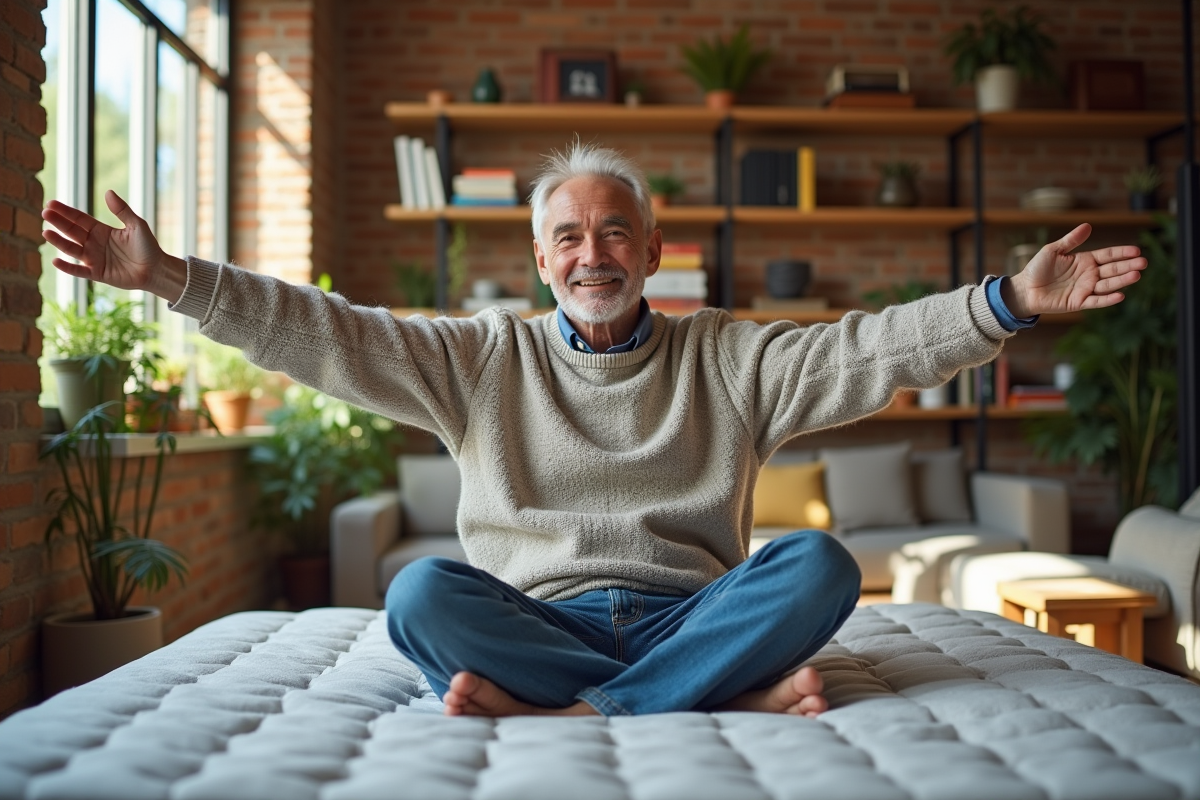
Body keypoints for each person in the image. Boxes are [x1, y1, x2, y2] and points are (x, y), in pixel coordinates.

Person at [41, 141, 1146, 719]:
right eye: (569, 235)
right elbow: (330, 333)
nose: (593, 253)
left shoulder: (727, 355)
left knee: (816, 561)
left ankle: (572, 711)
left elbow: (867, 350)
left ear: (652, 248)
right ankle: (722, 692)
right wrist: (178, 281)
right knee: (420, 592)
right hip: (538, 616)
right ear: (541, 260)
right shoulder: (479, 359)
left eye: (616, 230)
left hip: (693, 612)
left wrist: (1002, 301)